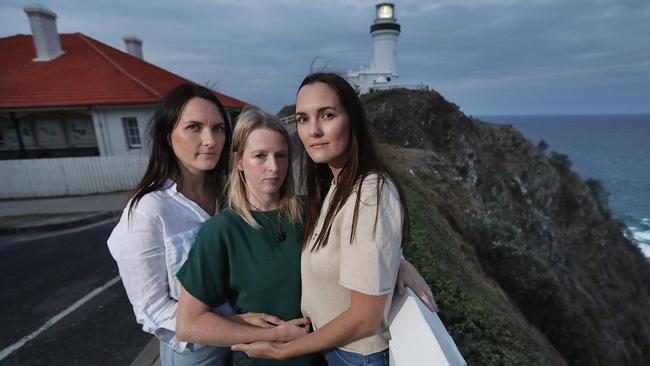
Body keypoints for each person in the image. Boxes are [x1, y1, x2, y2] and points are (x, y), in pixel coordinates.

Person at [232, 72, 415, 365]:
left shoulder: (370, 193)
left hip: (355, 354)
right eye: (303, 118)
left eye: (327, 115)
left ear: (352, 120)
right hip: (336, 348)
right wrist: (398, 263)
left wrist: (283, 350)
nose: (313, 130)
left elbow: (366, 317)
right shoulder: (337, 185)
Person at [107, 83, 243, 366]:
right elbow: (150, 307)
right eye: (194, 127)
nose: (210, 140)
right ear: (168, 136)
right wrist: (232, 326)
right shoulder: (148, 210)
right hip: (196, 352)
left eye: (219, 128)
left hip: (245, 343)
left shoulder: (230, 195)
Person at [175, 109, 320, 366]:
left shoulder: (312, 211)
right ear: (239, 161)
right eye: (260, 156)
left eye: (281, 155)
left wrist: (398, 265)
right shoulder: (221, 231)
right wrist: (273, 334)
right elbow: (188, 324)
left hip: (325, 358)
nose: (273, 167)